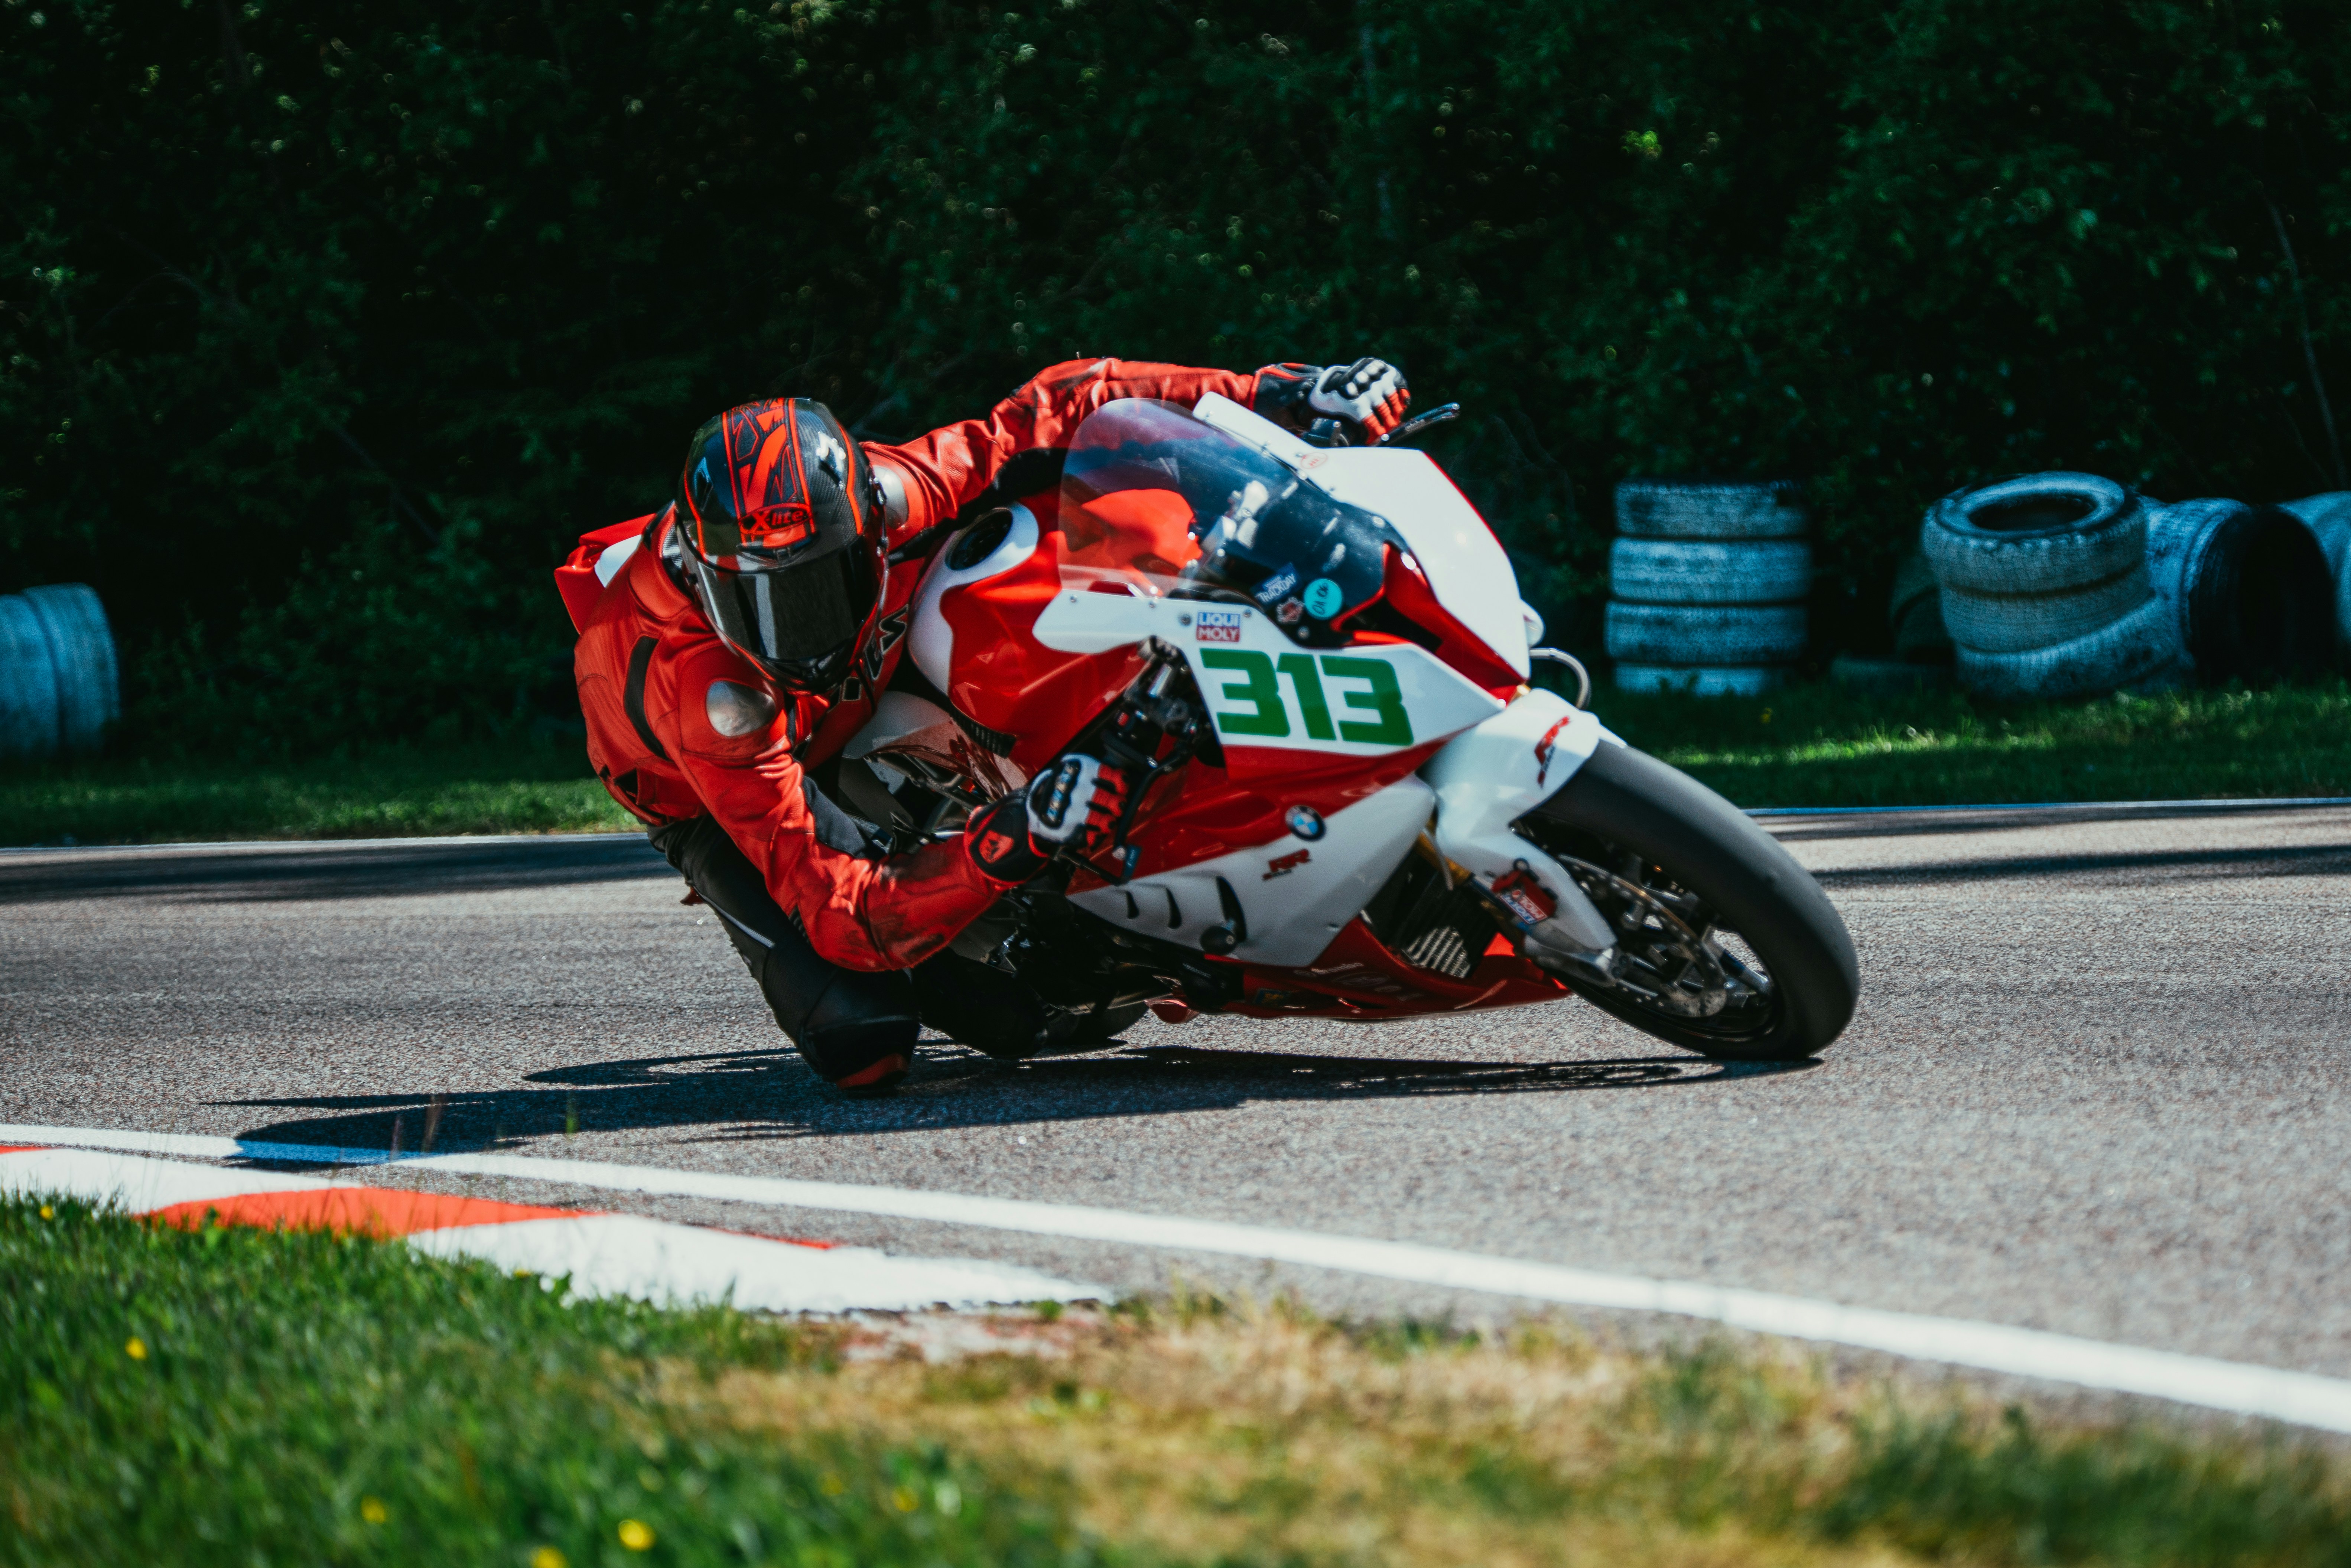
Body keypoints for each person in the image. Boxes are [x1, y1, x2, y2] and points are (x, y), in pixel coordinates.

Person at [555, 355, 1411, 1093]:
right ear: (711, 584)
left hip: (876, 669)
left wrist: (1281, 391)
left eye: (821, 585)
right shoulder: (710, 694)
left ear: (869, 529)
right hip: (709, 785)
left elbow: (1066, 400)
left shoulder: (894, 493)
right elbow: (843, 914)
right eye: (765, 602)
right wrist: (1019, 835)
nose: (800, 633)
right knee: (872, 1043)